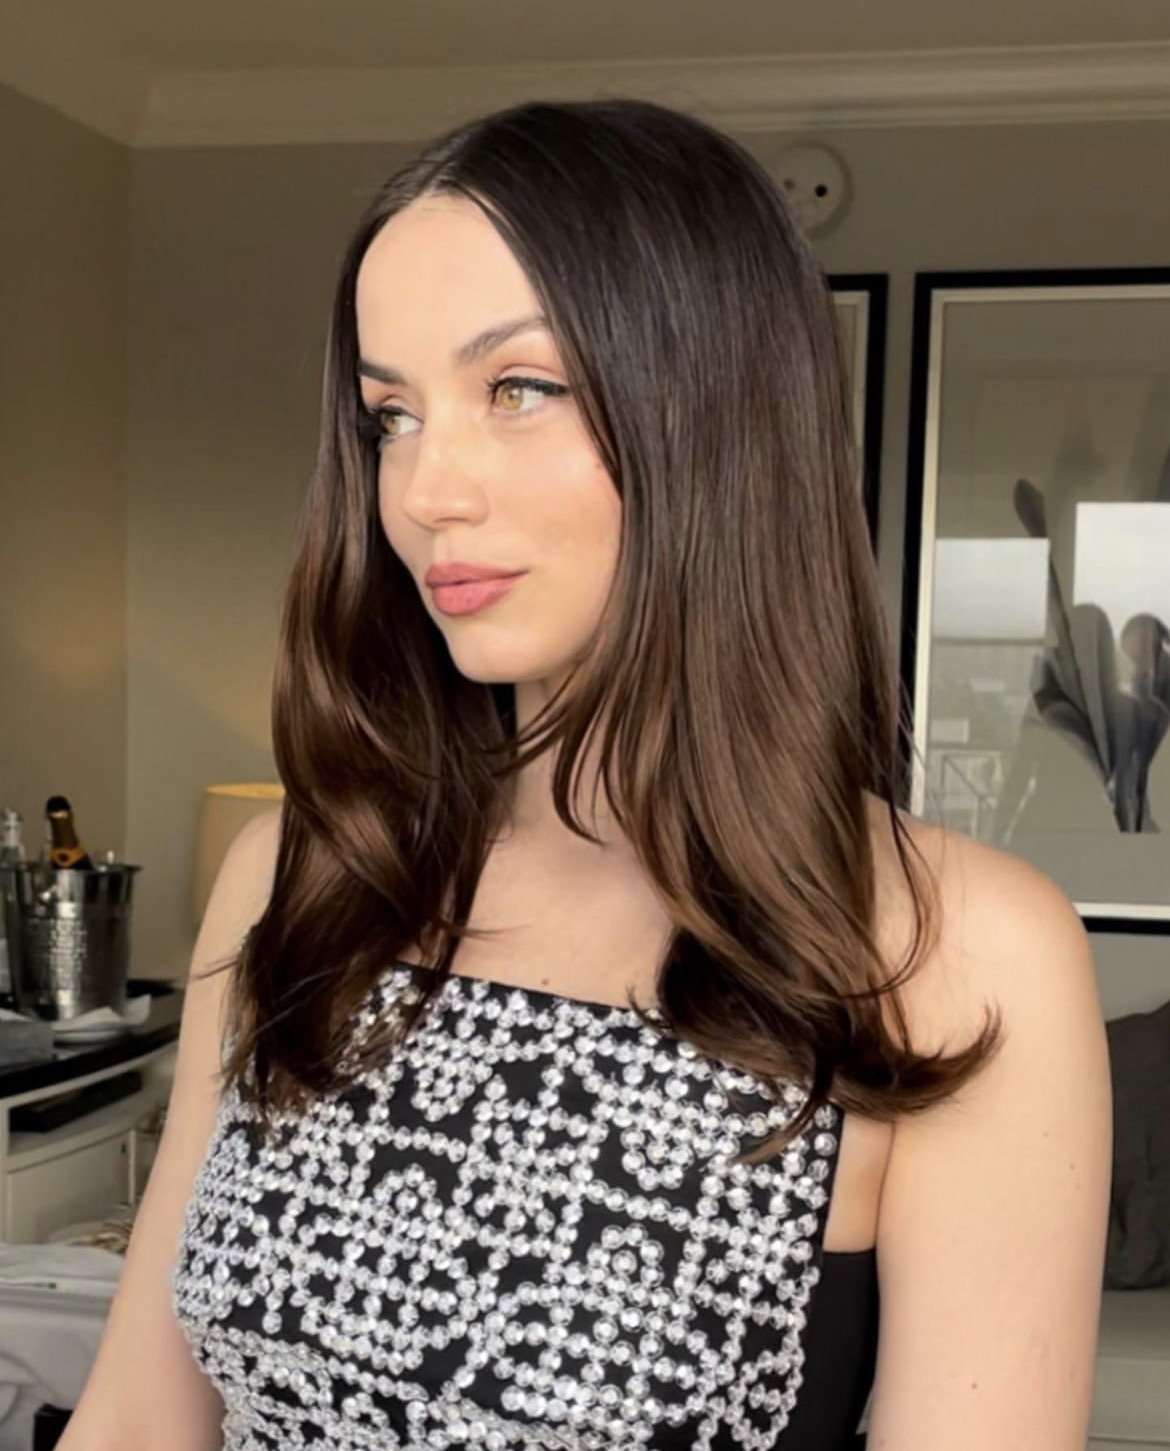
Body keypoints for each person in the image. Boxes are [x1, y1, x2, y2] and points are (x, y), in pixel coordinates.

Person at [60, 98, 1111, 1451]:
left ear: (716, 415)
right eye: (390, 416)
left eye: (518, 389)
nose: (423, 491)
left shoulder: (954, 950)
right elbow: (138, 1419)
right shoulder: (306, 873)